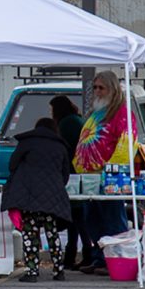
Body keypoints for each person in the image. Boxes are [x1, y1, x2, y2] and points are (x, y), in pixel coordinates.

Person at [73, 71, 137, 276]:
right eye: (96, 88)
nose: (98, 92)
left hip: (109, 178)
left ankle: (116, 258)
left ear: (113, 89)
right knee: (91, 220)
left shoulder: (122, 112)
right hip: (89, 179)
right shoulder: (96, 113)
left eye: (102, 87)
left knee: (112, 220)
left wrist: (111, 170)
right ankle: (100, 258)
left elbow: (128, 143)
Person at [1, 118, 72, 282]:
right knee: (52, 234)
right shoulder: (60, 146)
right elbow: (65, 174)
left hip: (29, 195)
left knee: (30, 234)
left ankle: (32, 272)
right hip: (52, 197)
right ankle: (58, 271)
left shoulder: (27, 142)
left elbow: (12, 165)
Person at [49, 95, 93, 270]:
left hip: (72, 173)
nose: (50, 112)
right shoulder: (76, 120)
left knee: (76, 216)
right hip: (79, 172)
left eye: (51, 109)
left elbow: (64, 149)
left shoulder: (67, 124)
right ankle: (74, 254)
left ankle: (83, 253)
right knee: (75, 215)